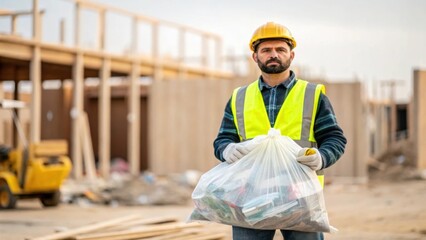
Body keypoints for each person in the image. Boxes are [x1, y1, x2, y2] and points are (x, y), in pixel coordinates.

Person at [213, 22, 347, 240]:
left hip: (300, 195)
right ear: (255, 57)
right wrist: (226, 149)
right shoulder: (239, 97)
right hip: (250, 196)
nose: (273, 55)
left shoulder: (312, 94)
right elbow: (223, 139)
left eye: (280, 49)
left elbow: (334, 138)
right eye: (266, 50)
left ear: (291, 56)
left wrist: (322, 157)